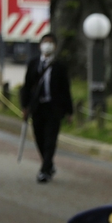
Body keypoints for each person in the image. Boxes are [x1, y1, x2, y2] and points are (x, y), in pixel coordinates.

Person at [20, 33, 73, 183]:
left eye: (50, 42)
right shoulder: (34, 63)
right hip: (37, 107)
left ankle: (44, 171)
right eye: (45, 42)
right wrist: (25, 106)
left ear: (55, 46)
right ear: (40, 45)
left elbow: (65, 89)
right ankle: (48, 164)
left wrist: (69, 111)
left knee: (51, 139)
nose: (47, 45)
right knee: (39, 137)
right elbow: (27, 86)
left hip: (54, 108)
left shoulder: (60, 66)